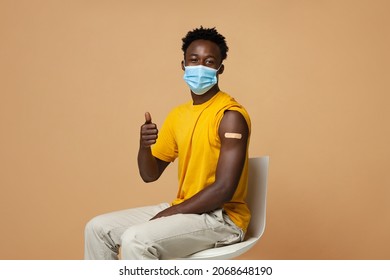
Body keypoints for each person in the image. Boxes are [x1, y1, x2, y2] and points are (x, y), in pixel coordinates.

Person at [84, 26, 251, 260]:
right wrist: (144, 145)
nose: (200, 67)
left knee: (136, 240)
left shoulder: (230, 116)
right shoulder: (178, 115)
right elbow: (149, 174)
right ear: (183, 65)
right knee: (97, 229)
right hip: (186, 209)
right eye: (193, 60)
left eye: (209, 61)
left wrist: (170, 213)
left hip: (222, 219)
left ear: (220, 68)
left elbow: (224, 189)